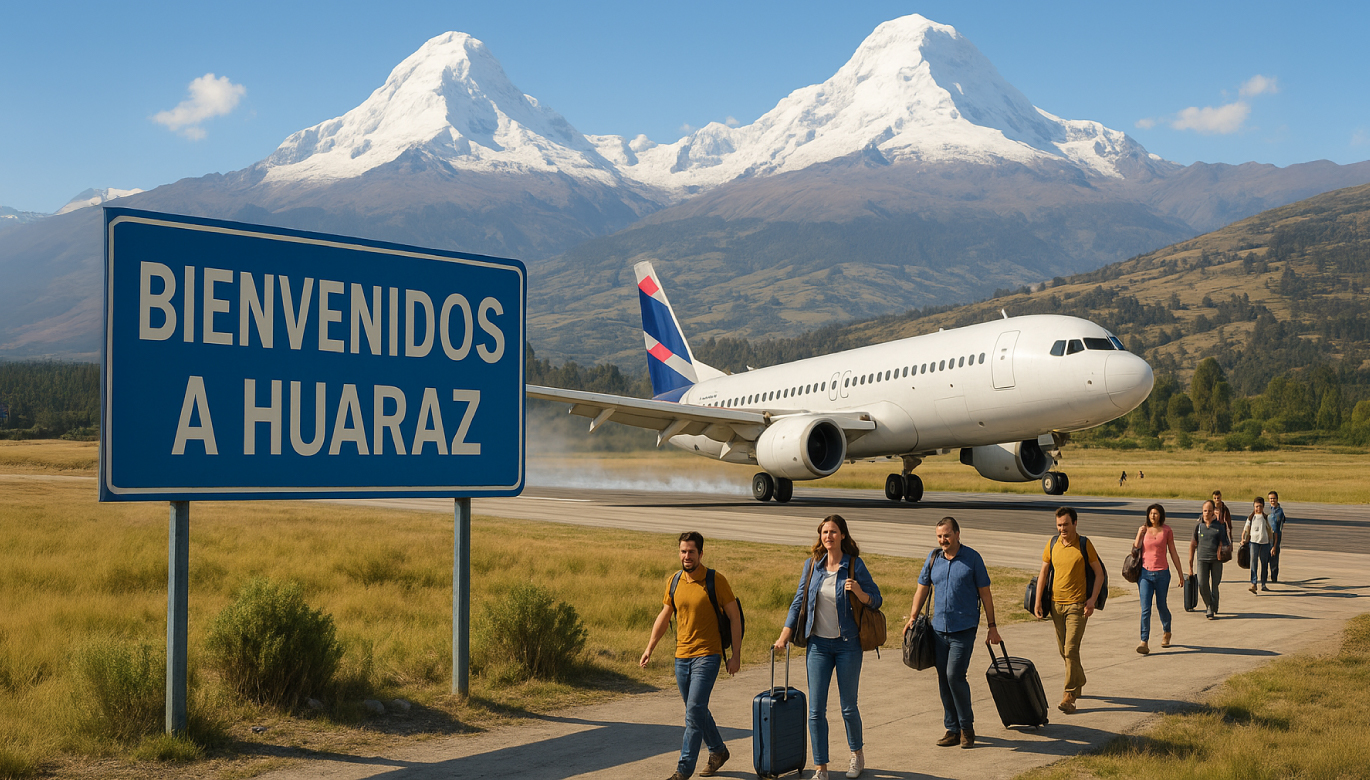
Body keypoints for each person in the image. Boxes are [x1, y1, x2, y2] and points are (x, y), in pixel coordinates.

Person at [774, 515, 882, 780]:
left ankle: (856, 755)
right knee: (815, 710)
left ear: (843, 535)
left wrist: (859, 592)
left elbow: (876, 600)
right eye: (825, 532)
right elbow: (798, 601)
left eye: (833, 532)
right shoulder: (812, 566)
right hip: (818, 646)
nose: (828, 536)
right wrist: (784, 635)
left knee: (848, 706)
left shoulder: (855, 565)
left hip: (848, 646)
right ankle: (821, 768)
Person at [641, 532, 743, 780]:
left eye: (691, 552)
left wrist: (735, 655)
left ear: (701, 553)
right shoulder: (674, 581)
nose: (687, 556)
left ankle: (683, 770)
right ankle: (718, 750)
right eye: (683, 551)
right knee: (696, 710)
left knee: (693, 712)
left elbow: (734, 618)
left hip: (708, 656)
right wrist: (649, 647)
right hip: (681, 656)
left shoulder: (715, 580)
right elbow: (664, 617)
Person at [904, 517, 1001, 749]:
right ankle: (952, 728)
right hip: (938, 631)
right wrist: (912, 617)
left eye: (946, 535)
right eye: (939, 536)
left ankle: (967, 728)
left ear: (958, 534)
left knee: (954, 676)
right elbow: (922, 589)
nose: (943, 540)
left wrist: (992, 626)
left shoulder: (972, 559)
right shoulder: (933, 558)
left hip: (963, 630)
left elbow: (985, 594)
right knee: (943, 678)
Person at [1033, 507, 1104, 715]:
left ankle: (1069, 695)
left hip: (1077, 605)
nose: (1062, 528)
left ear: (1075, 523)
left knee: (1071, 649)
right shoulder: (1052, 543)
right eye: (1059, 525)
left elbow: (1098, 574)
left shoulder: (1084, 544)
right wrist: (1038, 601)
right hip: (1056, 605)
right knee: (1064, 651)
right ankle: (1079, 678)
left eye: (1065, 524)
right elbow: (1043, 573)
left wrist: (1091, 600)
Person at [1131, 503, 1185, 654]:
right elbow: (1135, 549)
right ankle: (1144, 641)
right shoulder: (1144, 530)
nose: (1153, 516)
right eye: (1151, 513)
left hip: (1162, 574)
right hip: (1145, 575)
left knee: (1161, 605)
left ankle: (1167, 631)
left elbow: (1173, 552)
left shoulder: (1167, 530)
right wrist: (1139, 534)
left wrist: (1181, 574)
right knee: (1145, 609)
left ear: (1160, 515)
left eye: (1156, 513)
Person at [1188, 500, 1231, 620]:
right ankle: (1209, 606)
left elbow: (1226, 543)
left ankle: (1213, 605)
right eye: (1205, 510)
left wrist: (1222, 550)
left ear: (1213, 512)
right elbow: (1192, 545)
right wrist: (1190, 565)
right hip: (1202, 559)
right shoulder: (1198, 526)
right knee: (1202, 584)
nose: (1207, 513)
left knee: (1215, 584)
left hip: (1216, 560)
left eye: (1210, 511)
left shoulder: (1219, 526)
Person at [1243, 497, 1275, 593]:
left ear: (1263, 507)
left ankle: (1263, 583)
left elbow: (1270, 532)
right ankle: (1254, 583)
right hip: (1253, 543)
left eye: (1260, 506)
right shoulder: (1251, 517)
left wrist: (1272, 545)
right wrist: (1243, 540)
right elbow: (1246, 530)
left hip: (1265, 543)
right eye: (1256, 506)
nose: (1258, 508)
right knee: (1253, 563)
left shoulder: (1266, 518)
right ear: (1254, 506)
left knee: (1264, 563)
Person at [1267, 491, 1286, 582]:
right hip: (1269, 536)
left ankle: (1274, 578)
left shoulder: (1279, 511)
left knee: (1274, 557)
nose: (1272, 500)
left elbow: (1275, 526)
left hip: (1276, 536)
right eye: (1270, 499)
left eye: (1274, 498)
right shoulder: (1271, 510)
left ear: (1277, 499)